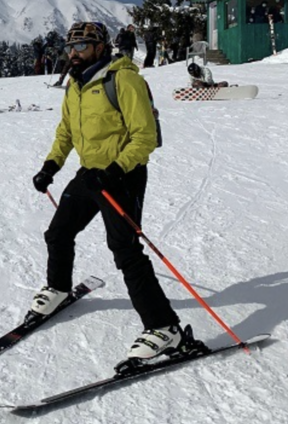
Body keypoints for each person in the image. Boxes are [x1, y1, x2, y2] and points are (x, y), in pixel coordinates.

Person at [30, 21, 197, 365]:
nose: (74, 54)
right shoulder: (75, 84)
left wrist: (114, 171)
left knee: (125, 250)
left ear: (100, 47)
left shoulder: (123, 79)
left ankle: (164, 327)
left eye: (82, 46)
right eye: (70, 48)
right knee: (58, 232)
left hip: (122, 176)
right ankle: (58, 288)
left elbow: (144, 136)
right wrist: (50, 166)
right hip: (90, 174)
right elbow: (66, 131)